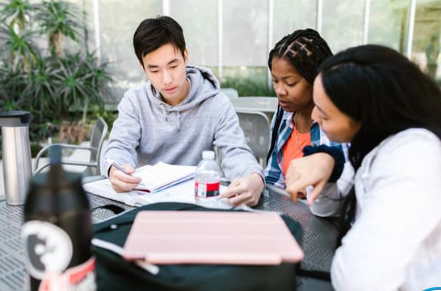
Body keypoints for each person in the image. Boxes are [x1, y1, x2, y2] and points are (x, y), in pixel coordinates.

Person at [285, 44, 441, 290]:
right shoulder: (373, 145)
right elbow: (327, 209)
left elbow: (360, 278)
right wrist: (331, 165)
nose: (314, 117)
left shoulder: (414, 157)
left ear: (367, 117)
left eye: (324, 115)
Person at [102, 16, 264, 206]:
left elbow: (235, 152)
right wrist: (115, 169)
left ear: (185, 56)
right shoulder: (135, 101)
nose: (167, 79)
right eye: (154, 70)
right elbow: (119, 147)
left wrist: (254, 178)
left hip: (195, 203)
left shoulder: (216, 103)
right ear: (142, 67)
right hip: (145, 204)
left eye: (173, 66)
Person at [264, 29, 348, 206]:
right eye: (275, 80)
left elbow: (341, 194)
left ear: (316, 80)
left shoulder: (338, 126)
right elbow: (273, 178)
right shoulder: (284, 115)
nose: (280, 90)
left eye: (290, 83)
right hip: (289, 213)